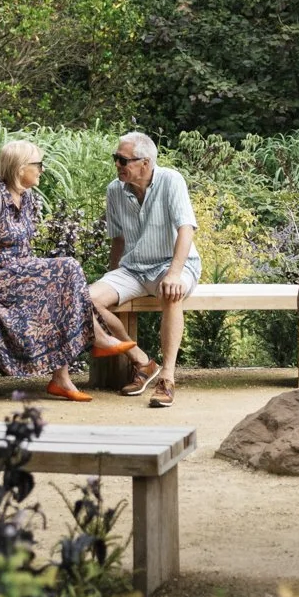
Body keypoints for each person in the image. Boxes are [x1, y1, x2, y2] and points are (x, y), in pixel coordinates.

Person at [0, 139, 135, 403]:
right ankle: (98, 339)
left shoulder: (27, 197)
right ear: (20, 167)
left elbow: (23, 248)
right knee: (67, 267)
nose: (42, 170)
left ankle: (61, 379)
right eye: (38, 164)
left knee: (61, 281)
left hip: (17, 271)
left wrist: (37, 274)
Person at [89, 131, 201, 409]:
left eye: (123, 160)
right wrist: (112, 279)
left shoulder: (171, 180)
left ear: (145, 163)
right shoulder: (115, 190)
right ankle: (142, 361)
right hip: (133, 269)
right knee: (85, 299)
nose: (117, 164)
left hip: (172, 263)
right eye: (116, 158)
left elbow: (186, 229)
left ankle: (167, 377)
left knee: (171, 293)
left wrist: (174, 273)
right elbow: (118, 240)